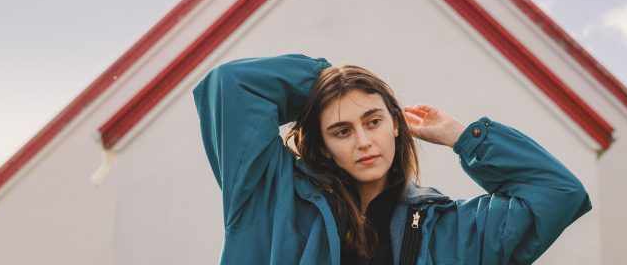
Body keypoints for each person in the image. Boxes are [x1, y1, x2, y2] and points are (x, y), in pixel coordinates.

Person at [194, 53, 591, 264]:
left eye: (373, 121)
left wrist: (462, 139)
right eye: (342, 131)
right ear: (323, 143)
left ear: (396, 124)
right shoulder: (271, 197)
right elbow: (230, 84)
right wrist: (327, 80)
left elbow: (557, 192)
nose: (364, 141)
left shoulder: (452, 231)